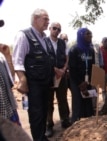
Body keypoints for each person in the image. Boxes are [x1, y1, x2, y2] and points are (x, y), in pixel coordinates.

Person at [12, 8, 53, 141]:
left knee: (44, 111)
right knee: (36, 113)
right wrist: (22, 79)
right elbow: (17, 60)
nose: (48, 21)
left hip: (45, 82)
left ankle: (42, 137)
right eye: (45, 19)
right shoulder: (23, 35)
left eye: (48, 19)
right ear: (35, 19)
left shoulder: (44, 38)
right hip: (34, 83)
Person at [44, 22, 71, 137]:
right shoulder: (43, 42)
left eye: (58, 29)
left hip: (62, 76)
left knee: (63, 99)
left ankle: (65, 120)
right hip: (49, 76)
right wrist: (56, 70)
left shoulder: (63, 43)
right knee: (48, 102)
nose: (56, 31)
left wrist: (64, 69)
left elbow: (67, 57)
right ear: (50, 29)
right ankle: (49, 125)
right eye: (54, 28)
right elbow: (44, 59)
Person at [68, 28, 95, 123]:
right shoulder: (74, 49)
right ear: (81, 35)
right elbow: (72, 69)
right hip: (76, 81)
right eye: (87, 34)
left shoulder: (91, 50)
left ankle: (88, 123)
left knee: (87, 102)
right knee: (78, 103)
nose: (90, 36)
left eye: (90, 33)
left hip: (87, 81)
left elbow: (92, 66)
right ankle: (75, 124)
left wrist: (89, 81)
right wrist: (80, 83)